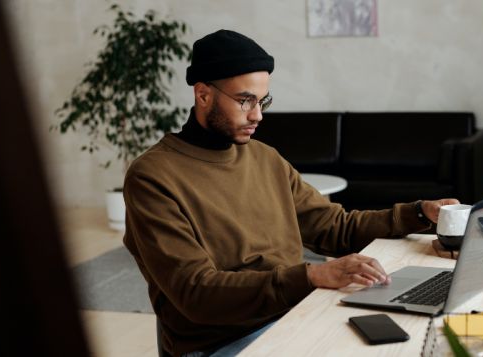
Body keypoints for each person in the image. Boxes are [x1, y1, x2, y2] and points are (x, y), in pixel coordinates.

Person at [123, 29, 460, 357]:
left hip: (295, 314)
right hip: (223, 342)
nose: (257, 115)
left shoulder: (265, 157)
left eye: (262, 101)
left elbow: (334, 227)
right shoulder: (152, 176)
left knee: (425, 339)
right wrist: (311, 275)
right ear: (203, 94)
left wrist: (417, 213)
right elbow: (195, 291)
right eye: (245, 101)